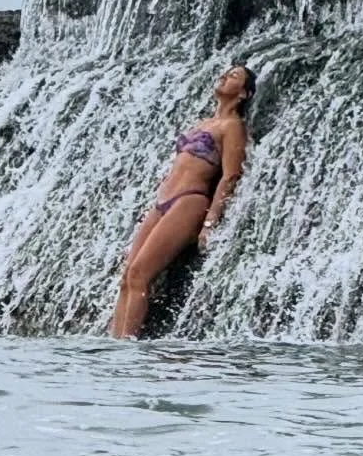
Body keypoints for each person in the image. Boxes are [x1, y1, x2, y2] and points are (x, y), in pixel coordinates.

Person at [109, 64, 255, 339]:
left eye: (234, 76)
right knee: (127, 275)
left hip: (189, 201)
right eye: (225, 72)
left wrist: (210, 222)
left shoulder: (233, 127)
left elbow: (230, 175)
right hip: (162, 202)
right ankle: (112, 343)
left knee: (140, 274)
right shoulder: (201, 123)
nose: (225, 76)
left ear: (244, 94)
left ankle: (127, 347)